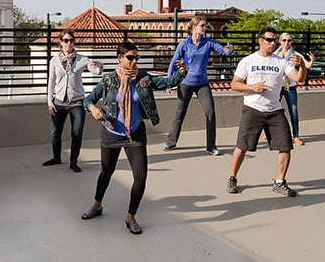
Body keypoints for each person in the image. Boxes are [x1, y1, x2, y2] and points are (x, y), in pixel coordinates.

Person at [81, 42, 186, 235]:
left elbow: (168, 82)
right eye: (130, 57)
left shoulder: (143, 78)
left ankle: (130, 216)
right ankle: (97, 205)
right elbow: (88, 99)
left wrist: (181, 72)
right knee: (106, 172)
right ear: (119, 57)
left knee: (140, 176)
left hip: (135, 133)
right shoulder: (109, 80)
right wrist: (94, 108)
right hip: (111, 131)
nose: (135, 61)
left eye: (137, 57)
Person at [226, 27, 307, 197]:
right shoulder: (248, 61)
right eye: (269, 40)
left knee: (286, 146)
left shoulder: (280, 61)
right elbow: (234, 84)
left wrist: (302, 66)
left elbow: (299, 79)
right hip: (252, 109)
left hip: (274, 110)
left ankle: (279, 182)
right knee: (242, 146)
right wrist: (252, 87)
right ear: (260, 40)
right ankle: (232, 177)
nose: (273, 43)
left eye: (274, 40)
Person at [163, 16, 233, 155]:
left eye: (205, 25)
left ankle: (211, 146)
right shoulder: (184, 44)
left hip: (202, 83)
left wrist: (230, 48)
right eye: (202, 25)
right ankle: (171, 142)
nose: (204, 28)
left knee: (210, 113)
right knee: (180, 113)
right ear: (194, 27)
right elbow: (173, 62)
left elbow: (224, 52)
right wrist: (168, 82)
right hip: (186, 83)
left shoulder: (209, 42)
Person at [44, 29, 103, 172]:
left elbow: (96, 72)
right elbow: (51, 82)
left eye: (71, 40)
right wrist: (50, 102)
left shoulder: (82, 59)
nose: (68, 43)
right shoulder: (54, 60)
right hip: (59, 101)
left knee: (76, 133)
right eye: (65, 40)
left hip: (77, 101)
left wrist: (99, 66)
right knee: (55, 132)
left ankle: (73, 161)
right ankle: (56, 157)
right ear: (60, 42)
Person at [274, 32, 315, 146]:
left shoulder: (295, 54)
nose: (286, 43)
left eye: (289, 40)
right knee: (272, 110)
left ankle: (296, 136)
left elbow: (306, 65)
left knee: (293, 111)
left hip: (290, 86)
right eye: (284, 40)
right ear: (280, 41)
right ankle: (270, 133)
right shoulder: (274, 54)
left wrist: (311, 61)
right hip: (277, 86)